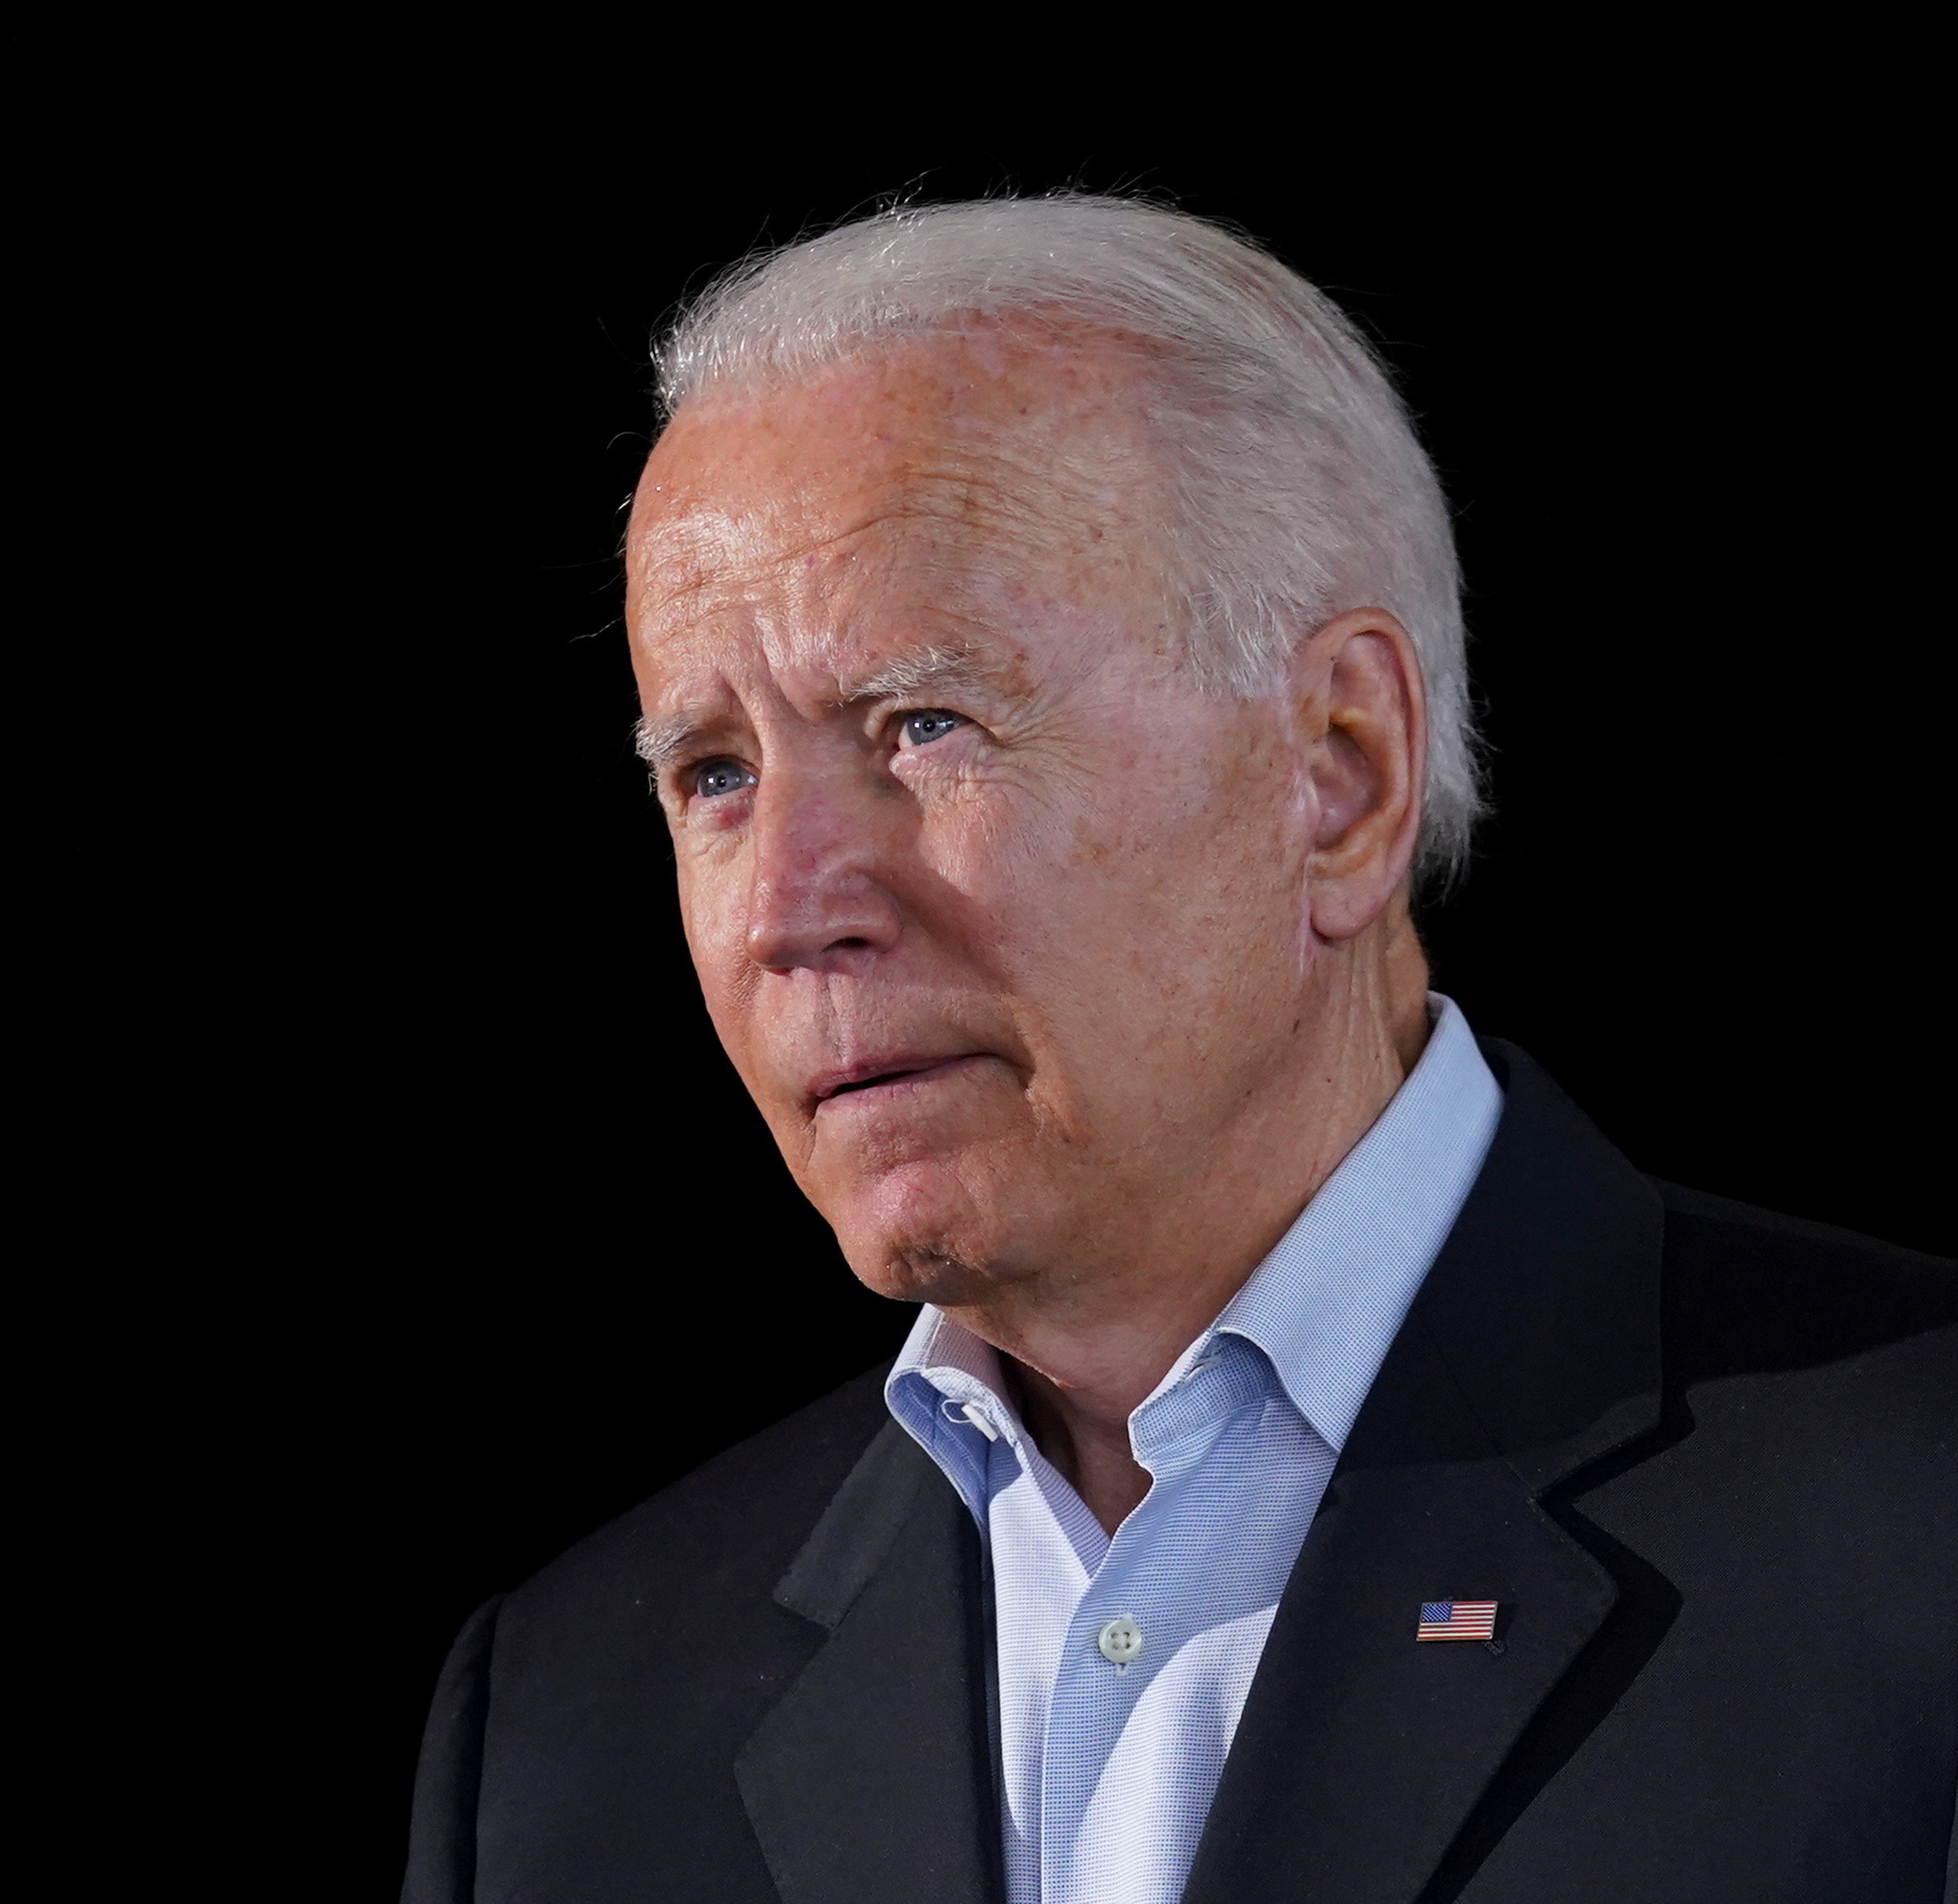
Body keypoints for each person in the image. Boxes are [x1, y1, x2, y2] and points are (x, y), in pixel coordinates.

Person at [400, 197, 1955, 1904]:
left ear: (1340, 774)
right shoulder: (566, 1737)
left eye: (926, 723)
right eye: (713, 776)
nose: (787, 905)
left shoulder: (1917, 1527)